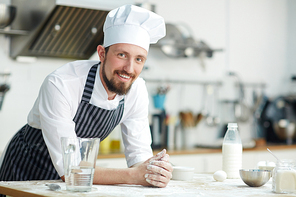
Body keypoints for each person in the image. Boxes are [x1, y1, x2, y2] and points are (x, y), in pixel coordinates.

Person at [0, 4, 172, 189]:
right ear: (102, 54)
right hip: (26, 173)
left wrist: (154, 171)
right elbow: (70, 170)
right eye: (122, 55)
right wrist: (135, 175)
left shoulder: (136, 90)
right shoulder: (62, 83)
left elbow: (140, 156)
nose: (129, 69)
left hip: (79, 180)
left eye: (139, 59)